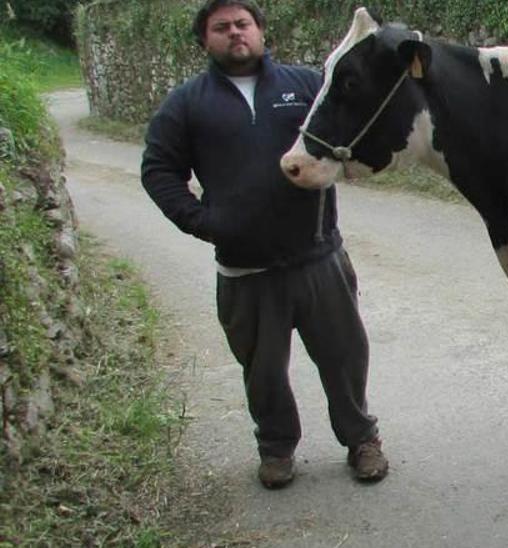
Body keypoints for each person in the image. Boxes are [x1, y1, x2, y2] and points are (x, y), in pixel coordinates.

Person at [140, 0, 388, 489]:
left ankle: (361, 440)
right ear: (204, 40)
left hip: (320, 258)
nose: (235, 33)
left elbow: (355, 127)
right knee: (264, 372)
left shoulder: (304, 86)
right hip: (245, 272)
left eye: (243, 24)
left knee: (345, 356)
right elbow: (158, 171)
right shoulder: (186, 103)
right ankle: (276, 450)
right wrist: (202, 221)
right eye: (221, 27)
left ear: (260, 31)